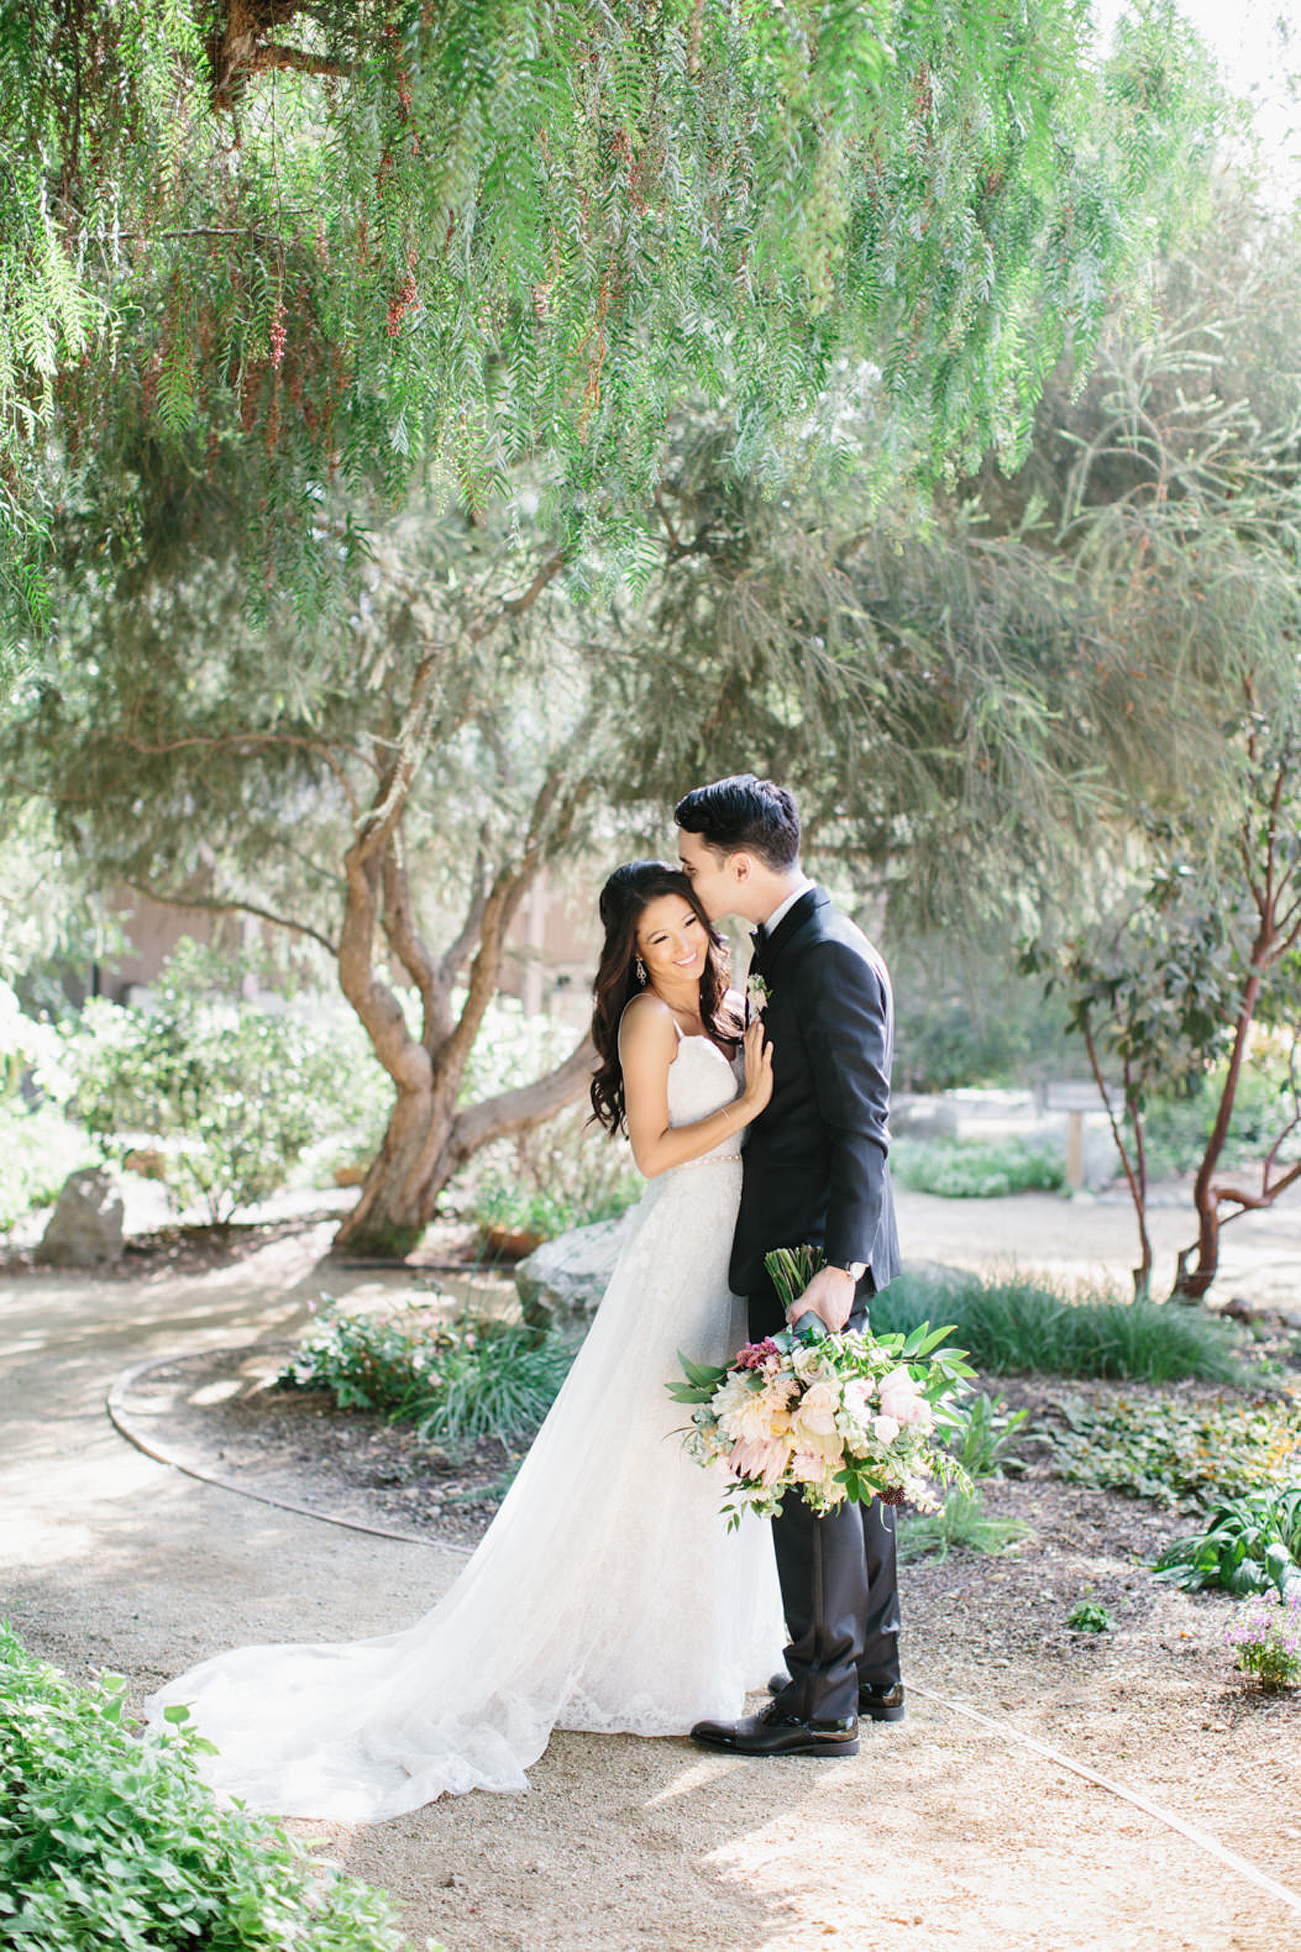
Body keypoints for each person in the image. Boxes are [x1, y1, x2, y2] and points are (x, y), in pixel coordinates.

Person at [145, 861, 784, 1821]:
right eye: (657, 938)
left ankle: (690, 1644)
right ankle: (613, 1651)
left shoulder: (729, 1004)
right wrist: (746, 1107)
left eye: (687, 924)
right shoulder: (648, 1021)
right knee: (650, 1437)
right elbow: (652, 1151)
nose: (682, 946)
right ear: (633, 955)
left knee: (704, 1452)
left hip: (731, 1248)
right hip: (682, 1241)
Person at [674, 774, 903, 1761]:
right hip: (809, 1239)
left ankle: (818, 1698)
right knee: (843, 1461)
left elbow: (862, 1124)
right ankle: (869, 1670)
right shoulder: (800, 942)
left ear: (736, 864)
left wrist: (841, 1266)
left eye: (691, 862)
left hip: (810, 1251)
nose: (685, 878)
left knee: (802, 1469)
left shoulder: (826, 956)